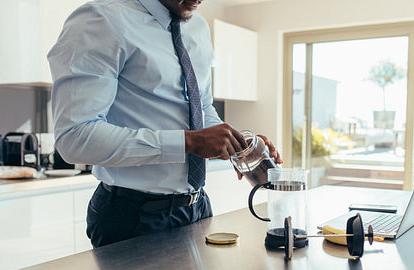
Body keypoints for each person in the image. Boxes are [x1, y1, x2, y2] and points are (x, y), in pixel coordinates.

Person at [48, 0, 281, 248]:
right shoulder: (102, 19)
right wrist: (188, 142)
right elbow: (75, 137)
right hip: (133, 217)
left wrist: (238, 142)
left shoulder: (198, 27)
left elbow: (201, 107)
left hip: (198, 207)